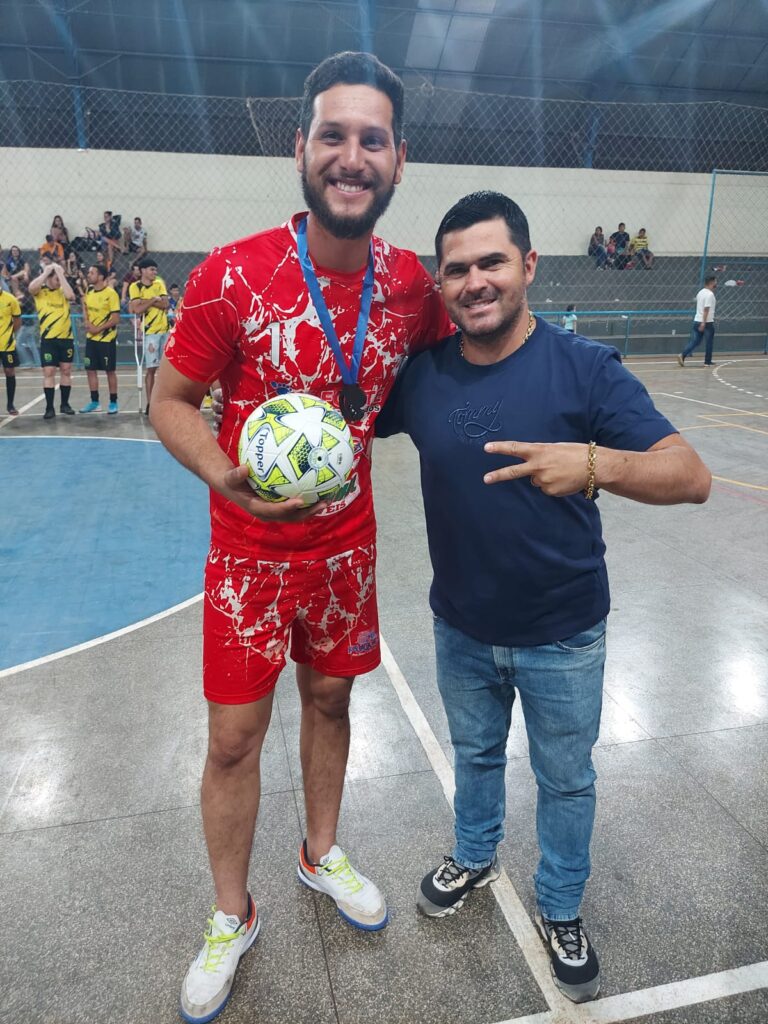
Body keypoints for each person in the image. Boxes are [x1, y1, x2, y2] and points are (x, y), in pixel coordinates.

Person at [149, 51, 452, 1024]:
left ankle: (321, 853)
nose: (351, 155)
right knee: (234, 742)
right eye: (334, 134)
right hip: (246, 558)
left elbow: (476, 360)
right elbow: (169, 399)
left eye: (373, 139)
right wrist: (229, 474)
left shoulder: (411, 284)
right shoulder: (233, 273)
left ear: (399, 160)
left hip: (348, 552)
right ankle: (231, 914)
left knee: (332, 705)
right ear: (301, 149)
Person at [376, 191, 711, 1004]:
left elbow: (691, 475)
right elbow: (338, 417)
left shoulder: (584, 367)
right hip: (459, 625)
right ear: (440, 283)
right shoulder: (422, 377)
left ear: (527, 266)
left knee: (565, 779)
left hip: (563, 633)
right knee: (477, 756)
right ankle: (476, 851)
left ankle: (560, 905)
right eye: (456, 269)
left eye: (491, 262)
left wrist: (594, 464)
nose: (474, 281)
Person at [29, 261, 77, 419]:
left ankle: (65, 404)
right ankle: (49, 407)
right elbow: (31, 288)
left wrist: (61, 274)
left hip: (66, 338)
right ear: (49, 278)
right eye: (55, 279)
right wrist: (47, 271)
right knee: (49, 371)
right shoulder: (41, 292)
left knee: (66, 370)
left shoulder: (63, 291)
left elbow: (71, 296)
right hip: (49, 339)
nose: (58, 282)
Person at [128, 257, 169, 415]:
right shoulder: (135, 287)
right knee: (151, 368)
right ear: (143, 270)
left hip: (164, 330)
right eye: (152, 269)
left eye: (155, 270)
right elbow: (137, 310)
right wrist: (153, 299)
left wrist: (146, 302)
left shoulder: (159, 284)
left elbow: (165, 304)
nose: (154, 272)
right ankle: (150, 403)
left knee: (165, 369)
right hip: (150, 332)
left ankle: (163, 402)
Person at [80, 264, 121, 414]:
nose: (88, 275)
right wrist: (86, 321)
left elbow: (116, 319)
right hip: (91, 339)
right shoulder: (89, 290)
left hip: (106, 339)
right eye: (89, 272)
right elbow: (84, 305)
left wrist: (98, 328)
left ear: (101, 276)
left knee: (109, 370)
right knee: (90, 370)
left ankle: (113, 402)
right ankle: (94, 402)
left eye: (92, 272)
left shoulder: (111, 294)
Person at [678, 275, 717, 367]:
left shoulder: (700, 292)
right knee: (709, 342)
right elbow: (706, 309)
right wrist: (703, 322)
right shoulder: (710, 294)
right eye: (715, 282)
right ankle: (707, 361)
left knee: (695, 341)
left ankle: (683, 354)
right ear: (711, 283)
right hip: (706, 322)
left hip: (697, 320)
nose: (716, 284)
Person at [0, 286, 21, 415]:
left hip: (7, 345)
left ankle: (10, 405)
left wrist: (9, 334)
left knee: (9, 371)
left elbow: (18, 320)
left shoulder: (10, 299)